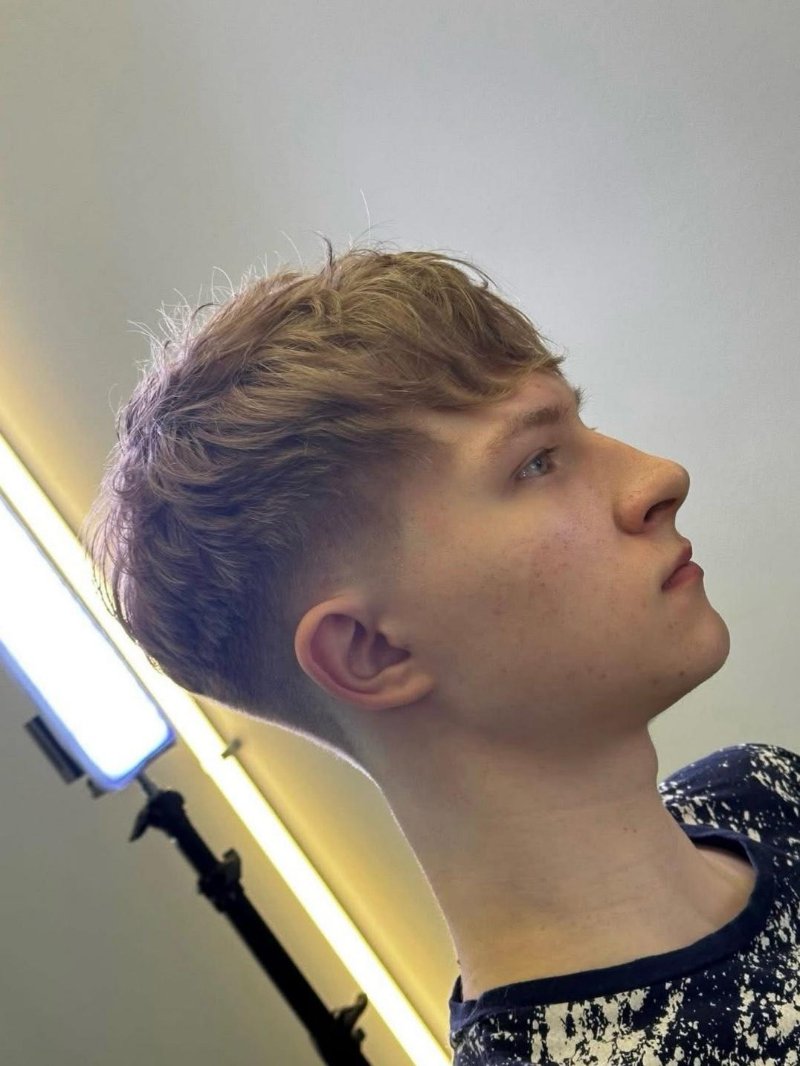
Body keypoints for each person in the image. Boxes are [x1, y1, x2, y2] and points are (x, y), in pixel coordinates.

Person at [82, 237, 799, 1063]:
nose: (659, 477)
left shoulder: (766, 791)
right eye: (537, 462)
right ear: (370, 651)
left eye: (581, 424)